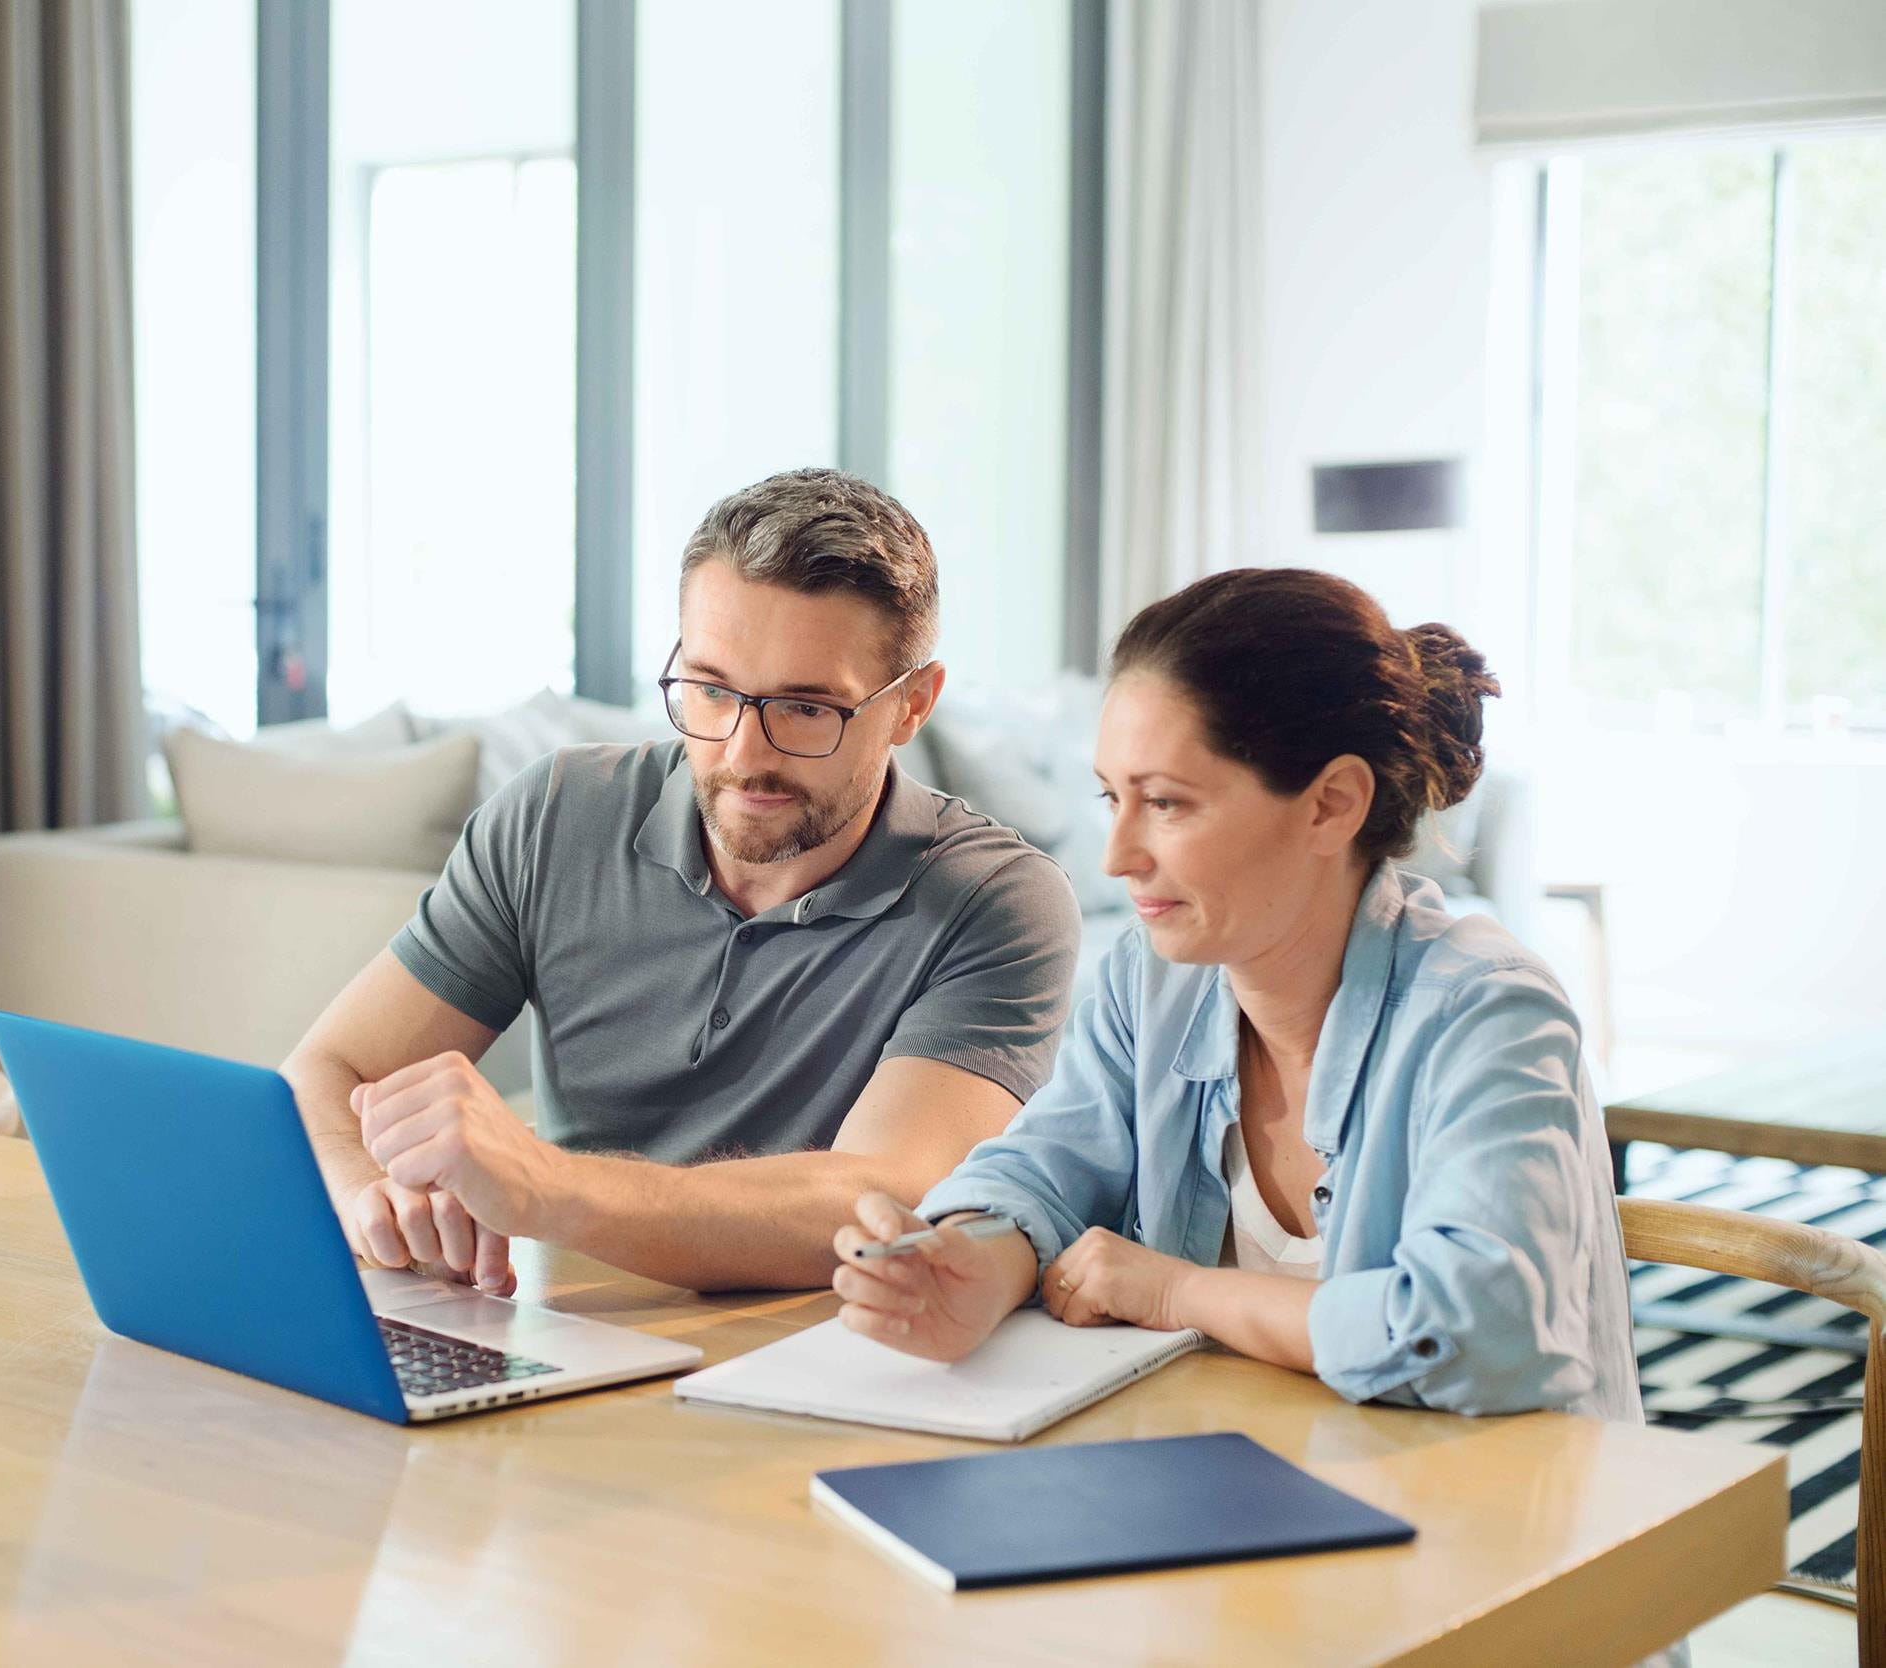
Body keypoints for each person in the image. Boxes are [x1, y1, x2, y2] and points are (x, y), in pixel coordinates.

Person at [834, 566, 1640, 1421]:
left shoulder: (1488, 1015)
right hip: (1244, 1474)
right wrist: (968, 1261)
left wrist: (1175, 1292)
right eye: (1112, 797)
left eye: (1166, 803)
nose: (1116, 857)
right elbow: (1045, 1172)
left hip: (1490, 1497)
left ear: (1331, 805)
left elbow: (1479, 1333)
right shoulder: (1150, 983)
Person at [283, 468, 1081, 1294]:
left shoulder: (998, 901)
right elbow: (329, 1069)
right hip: (550, 1321)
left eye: (807, 708)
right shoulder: (554, 816)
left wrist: (544, 1185)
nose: (743, 754)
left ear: (912, 704)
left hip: (805, 1344)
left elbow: (885, 1199)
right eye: (710, 690)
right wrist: (369, 1197)